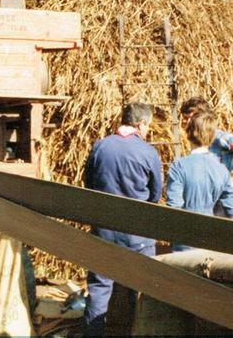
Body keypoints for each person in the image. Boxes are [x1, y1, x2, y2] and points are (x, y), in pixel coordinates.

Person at [82, 102, 162, 336]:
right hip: (138, 234)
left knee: (99, 289)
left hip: (105, 230)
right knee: (141, 289)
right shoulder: (148, 152)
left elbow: (89, 185)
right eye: (148, 126)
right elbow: (155, 195)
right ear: (141, 123)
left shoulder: (101, 146)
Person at [165, 111, 233, 251]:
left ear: (188, 133)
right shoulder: (221, 169)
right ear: (212, 137)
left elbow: (173, 207)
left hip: (184, 239)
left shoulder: (179, 166)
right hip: (210, 238)